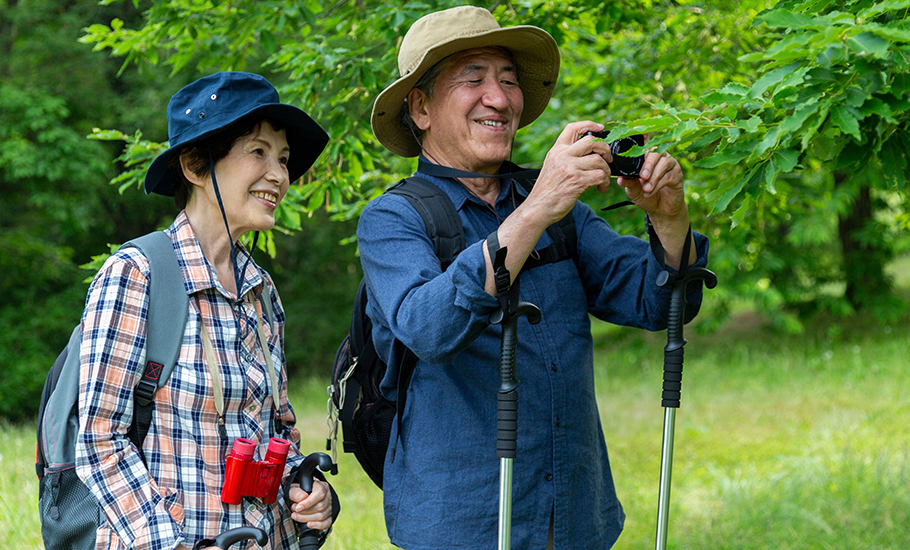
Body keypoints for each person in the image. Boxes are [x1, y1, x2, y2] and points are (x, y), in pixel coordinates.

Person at [358, 6, 710, 550]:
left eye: (508, 80)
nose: (498, 98)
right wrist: (536, 209)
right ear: (421, 107)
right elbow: (428, 330)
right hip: (461, 524)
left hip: (575, 517)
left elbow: (657, 303)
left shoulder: (560, 211)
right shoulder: (394, 219)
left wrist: (669, 220)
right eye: (473, 79)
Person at [75, 71, 338, 550]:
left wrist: (308, 492)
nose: (279, 175)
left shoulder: (262, 292)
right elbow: (99, 442)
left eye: (282, 159)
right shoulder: (137, 275)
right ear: (196, 165)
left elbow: (276, 428)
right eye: (258, 152)